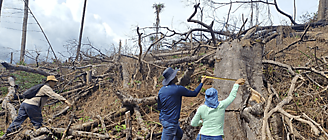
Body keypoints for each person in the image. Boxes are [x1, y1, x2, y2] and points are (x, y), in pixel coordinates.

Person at [4, 75, 71, 136]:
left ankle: (7, 133)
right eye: (54, 82)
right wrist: (65, 100)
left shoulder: (41, 87)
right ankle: (36, 136)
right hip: (32, 105)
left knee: (18, 120)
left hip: (24, 104)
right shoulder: (46, 87)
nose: (55, 84)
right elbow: (54, 95)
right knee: (38, 123)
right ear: (50, 81)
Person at [157, 67, 206, 140]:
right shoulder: (178, 89)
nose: (177, 76)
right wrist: (202, 82)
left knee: (179, 135)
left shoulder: (161, 90)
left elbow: (159, 107)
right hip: (171, 123)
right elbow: (194, 93)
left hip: (164, 119)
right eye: (175, 75)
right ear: (172, 78)